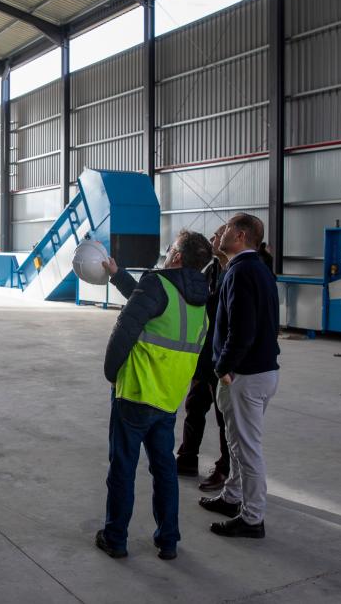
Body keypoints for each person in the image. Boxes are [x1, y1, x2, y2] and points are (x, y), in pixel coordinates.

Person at [94, 230, 212, 560]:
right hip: (168, 398)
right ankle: (169, 540)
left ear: (176, 258)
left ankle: (115, 537)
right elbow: (150, 307)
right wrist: (119, 277)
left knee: (122, 469)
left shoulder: (157, 284)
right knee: (164, 472)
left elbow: (125, 330)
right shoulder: (200, 298)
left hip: (135, 394)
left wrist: (111, 374)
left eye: (170, 248)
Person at [198, 213, 280, 539]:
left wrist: (223, 366)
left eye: (228, 228)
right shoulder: (255, 269)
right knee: (235, 443)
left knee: (247, 449)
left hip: (245, 375)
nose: (221, 234)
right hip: (258, 371)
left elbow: (241, 330)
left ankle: (252, 517)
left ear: (242, 235)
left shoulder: (242, 272)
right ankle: (232, 497)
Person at [176, 225, 230, 492]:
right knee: (195, 407)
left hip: (221, 359)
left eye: (220, 234)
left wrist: (226, 363)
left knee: (224, 417)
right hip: (204, 352)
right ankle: (187, 457)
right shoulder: (211, 269)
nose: (214, 238)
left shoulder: (235, 273)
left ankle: (225, 467)